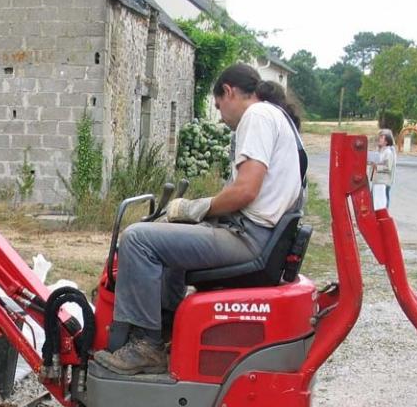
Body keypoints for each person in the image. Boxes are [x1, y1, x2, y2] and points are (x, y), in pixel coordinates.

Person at [94, 63, 305, 376]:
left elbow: (246, 191)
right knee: (170, 236)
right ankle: (165, 330)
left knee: (138, 239)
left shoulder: (257, 116)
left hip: (250, 238)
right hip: (262, 237)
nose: (220, 116)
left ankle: (145, 345)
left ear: (229, 91)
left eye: (219, 106)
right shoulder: (278, 118)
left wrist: (197, 208)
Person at [370, 128, 397, 209]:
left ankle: (384, 217)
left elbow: (387, 167)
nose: (379, 139)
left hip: (383, 181)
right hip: (377, 180)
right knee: (375, 200)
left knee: (382, 201)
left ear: (386, 141)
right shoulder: (380, 150)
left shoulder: (388, 152)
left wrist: (377, 166)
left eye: (382, 137)